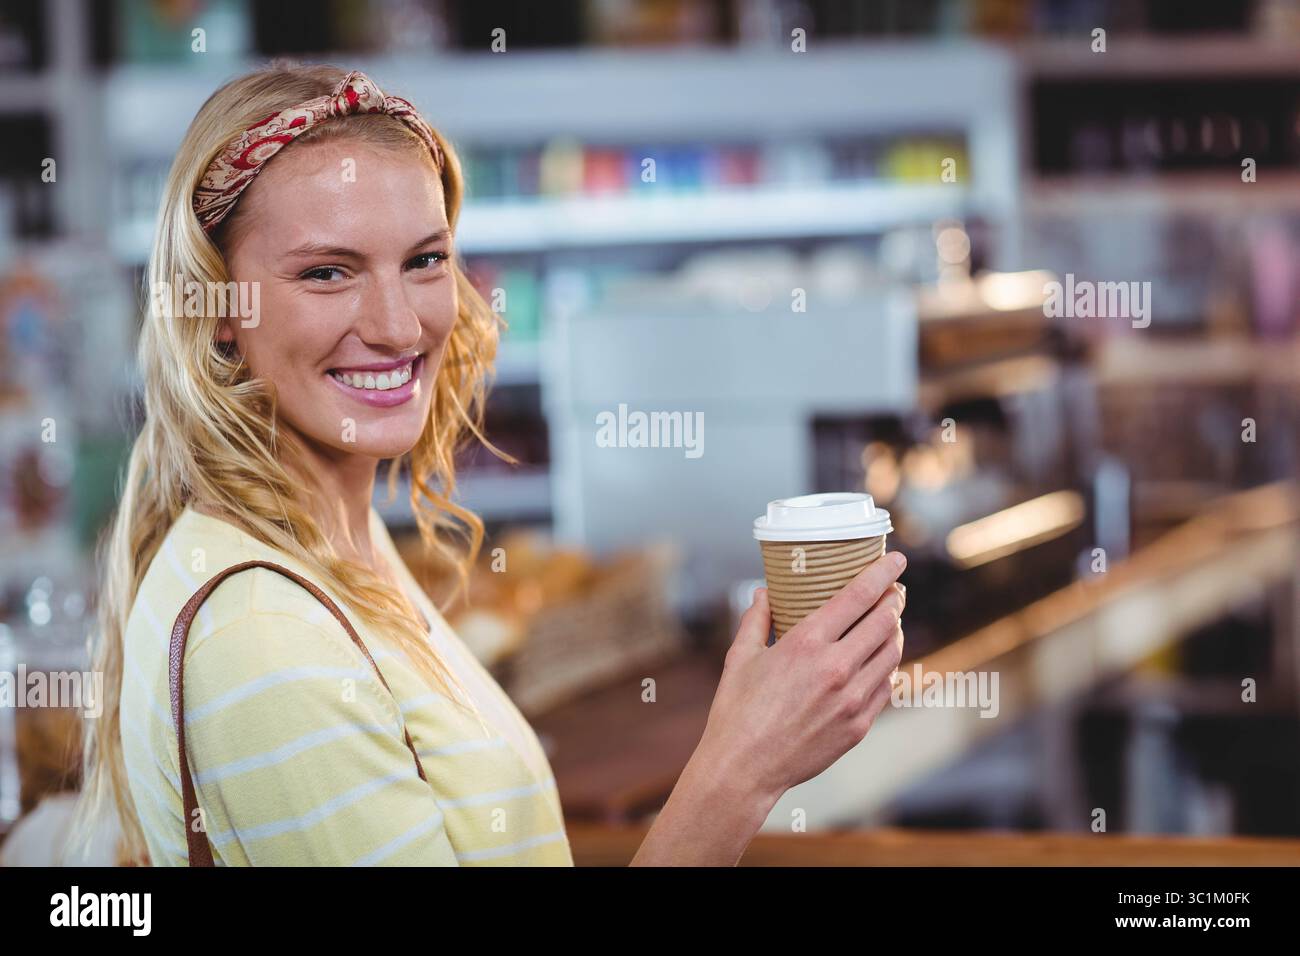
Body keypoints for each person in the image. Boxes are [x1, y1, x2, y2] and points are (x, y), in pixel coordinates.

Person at [72, 62, 907, 866]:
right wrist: (741, 770)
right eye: (327, 272)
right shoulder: (262, 635)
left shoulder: (327, 543)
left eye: (424, 260)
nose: (399, 328)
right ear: (218, 307)